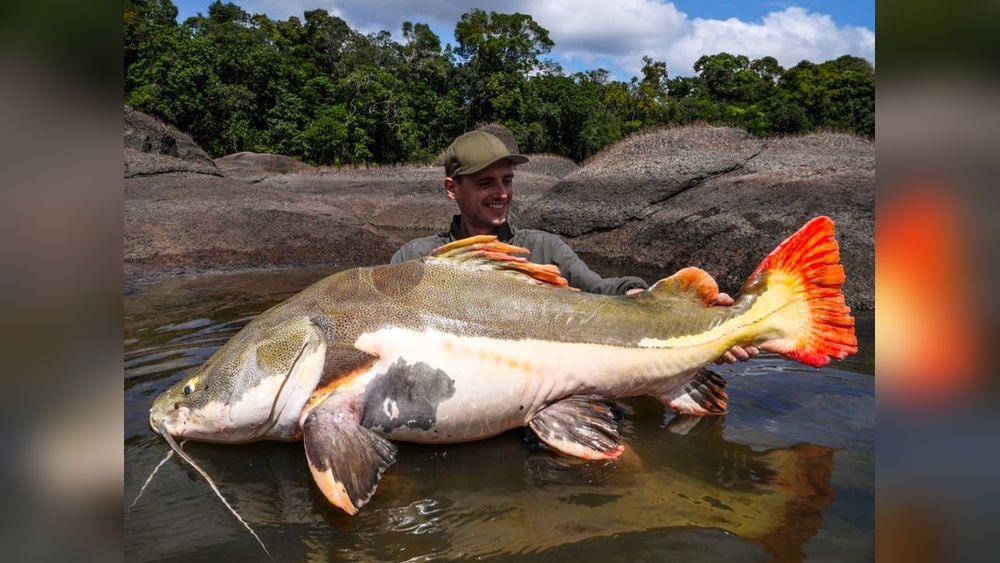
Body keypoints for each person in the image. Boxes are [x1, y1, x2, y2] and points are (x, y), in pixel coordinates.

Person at [391, 131, 757, 364]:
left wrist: (663, 305)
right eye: (486, 183)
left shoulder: (543, 247)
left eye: (507, 180)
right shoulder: (414, 259)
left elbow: (599, 290)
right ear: (452, 188)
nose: (502, 194)